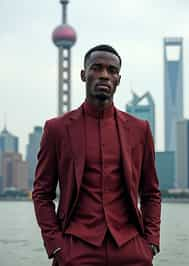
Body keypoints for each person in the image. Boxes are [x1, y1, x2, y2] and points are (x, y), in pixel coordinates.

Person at [32, 44, 161, 266]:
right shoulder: (57, 129)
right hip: (76, 250)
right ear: (83, 75)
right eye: (96, 68)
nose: (104, 75)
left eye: (112, 70)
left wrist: (151, 241)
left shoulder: (140, 129)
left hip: (132, 250)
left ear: (118, 79)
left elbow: (150, 192)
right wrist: (56, 245)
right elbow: (42, 193)